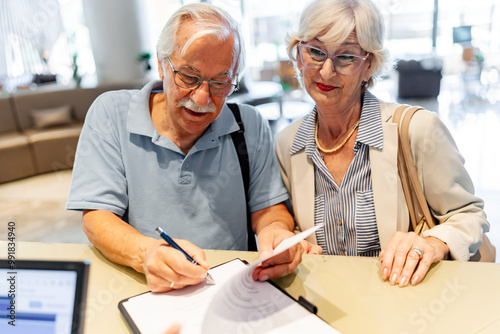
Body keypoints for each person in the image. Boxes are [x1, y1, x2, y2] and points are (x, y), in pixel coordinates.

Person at [66, 3, 321, 292]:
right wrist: (146, 253)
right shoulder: (111, 113)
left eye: (220, 82)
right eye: (189, 76)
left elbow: (268, 208)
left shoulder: (249, 124)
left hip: (231, 289)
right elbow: (97, 218)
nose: (202, 98)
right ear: (163, 65)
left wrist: (275, 232)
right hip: (139, 285)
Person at [275, 0, 489, 287]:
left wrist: (435, 242)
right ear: (299, 55)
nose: (326, 72)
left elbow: (468, 214)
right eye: (315, 52)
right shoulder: (288, 143)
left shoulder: (416, 130)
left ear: (370, 66)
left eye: (346, 57)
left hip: (406, 309)